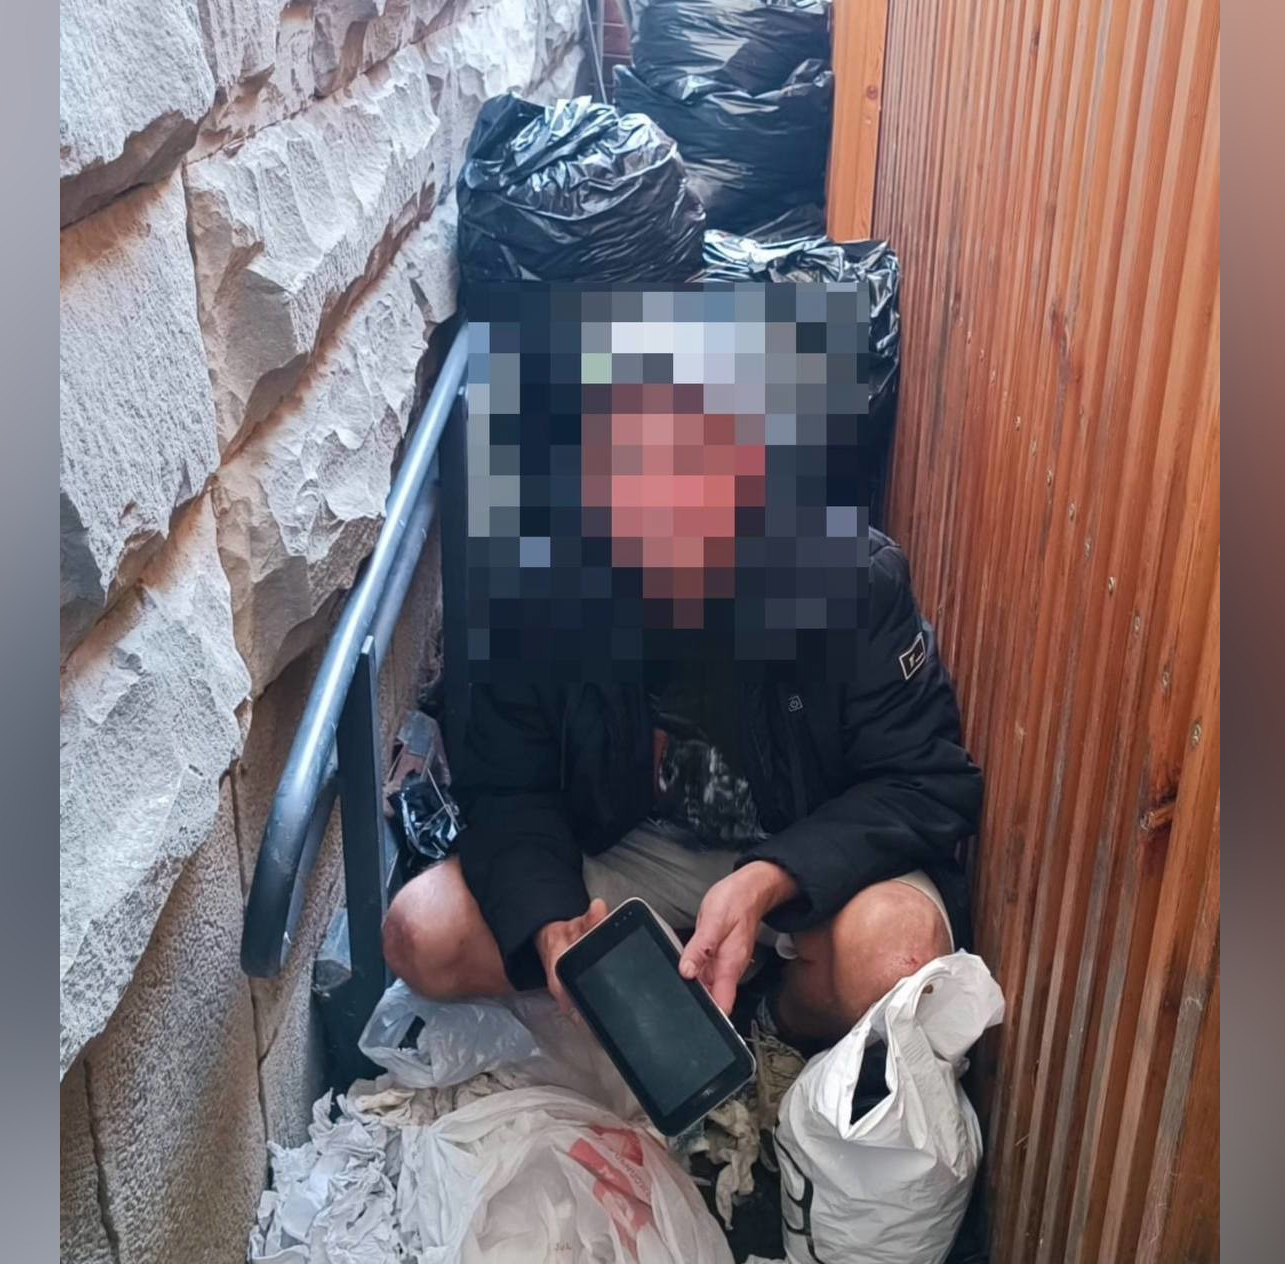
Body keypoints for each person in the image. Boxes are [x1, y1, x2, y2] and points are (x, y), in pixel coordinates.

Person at [382, 359, 982, 1049]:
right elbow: (506, 787)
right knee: (422, 932)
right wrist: (551, 922)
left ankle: (773, 1022)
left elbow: (924, 784)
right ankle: (656, 1008)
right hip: (635, 851)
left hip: (812, 854)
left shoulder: (853, 579)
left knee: (898, 960)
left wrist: (771, 878)